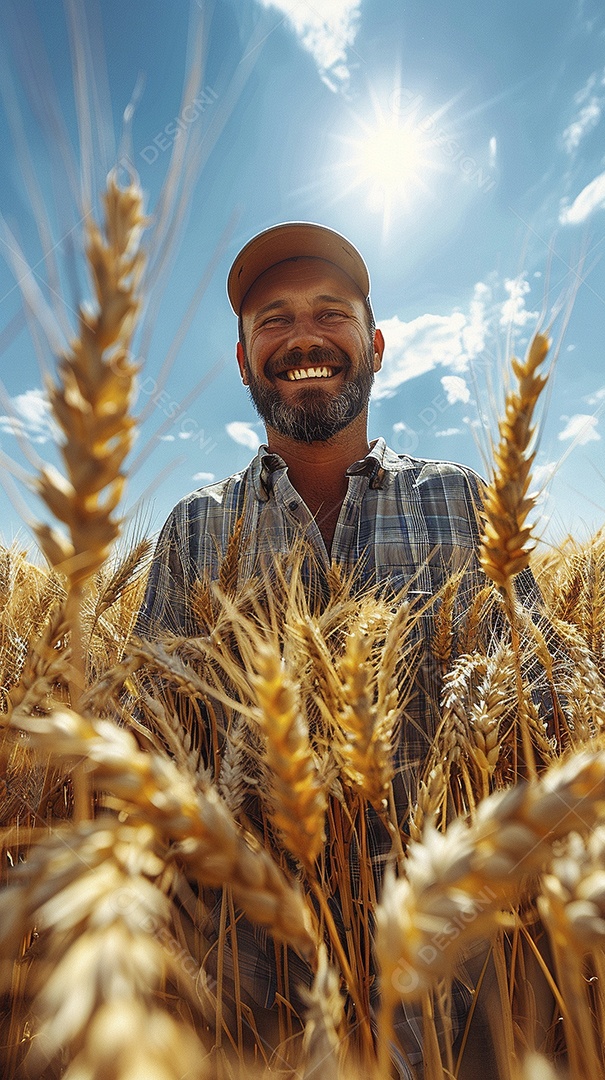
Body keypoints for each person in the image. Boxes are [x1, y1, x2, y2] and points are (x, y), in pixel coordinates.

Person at [136, 223, 510, 1075]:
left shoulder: (464, 506)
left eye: (329, 314)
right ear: (242, 360)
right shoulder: (195, 531)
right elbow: (151, 751)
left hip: (452, 1003)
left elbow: (543, 700)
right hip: (249, 1005)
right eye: (273, 321)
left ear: (372, 345)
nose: (303, 337)